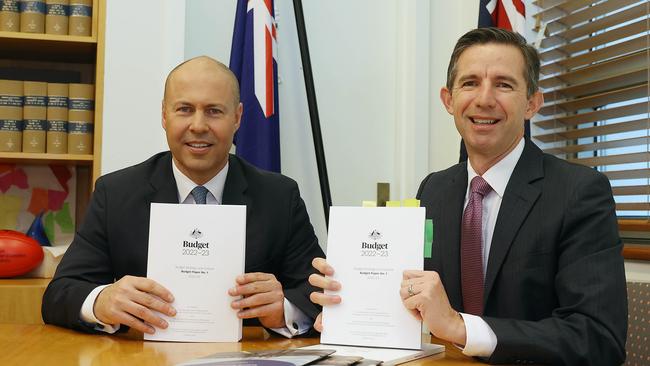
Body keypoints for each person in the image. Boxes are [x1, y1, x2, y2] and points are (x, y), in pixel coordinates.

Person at [309, 28, 627, 365]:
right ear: (448, 99)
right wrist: (352, 313)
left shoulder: (579, 191)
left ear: (532, 102)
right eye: (470, 83)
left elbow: (597, 338)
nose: (484, 99)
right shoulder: (434, 189)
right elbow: (417, 297)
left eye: (504, 84)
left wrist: (461, 328)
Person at [42, 56, 324, 338]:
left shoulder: (279, 196)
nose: (198, 125)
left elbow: (318, 289)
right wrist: (102, 301)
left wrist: (284, 310)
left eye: (214, 111)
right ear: (164, 115)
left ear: (237, 117)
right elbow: (60, 293)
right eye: (185, 109)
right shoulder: (115, 193)